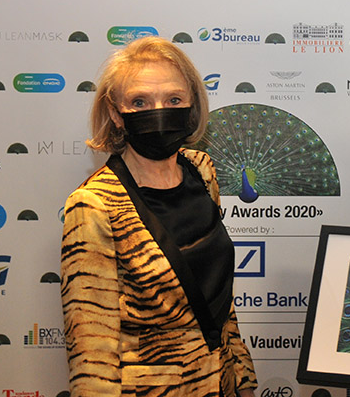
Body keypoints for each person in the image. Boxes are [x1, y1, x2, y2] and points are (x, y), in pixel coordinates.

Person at [61, 36, 257, 397]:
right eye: (140, 102)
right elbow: (92, 350)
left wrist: (243, 381)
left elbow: (219, 304)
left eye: (174, 100)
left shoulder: (202, 171)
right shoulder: (93, 205)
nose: (160, 112)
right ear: (116, 113)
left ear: (192, 103)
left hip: (222, 382)